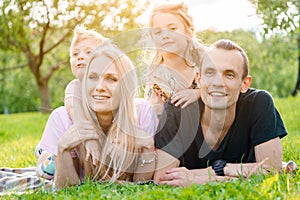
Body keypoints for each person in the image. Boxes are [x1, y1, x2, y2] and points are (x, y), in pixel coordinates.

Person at [153, 39, 288, 187]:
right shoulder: (177, 109)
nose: (218, 82)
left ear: (245, 84)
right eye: (210, 73)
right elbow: (163, 179)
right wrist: (237, 173)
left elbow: (272, 171)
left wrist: (209, 175)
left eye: (229, 75)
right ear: (198, 79)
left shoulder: (259, 103)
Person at [48, 42, 158, 189]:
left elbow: (142, 185)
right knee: (45, 165)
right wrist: (62, 149)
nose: (99, 87)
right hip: (56, 167)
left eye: (111, 79)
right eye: (93, 77)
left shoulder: (142, 112)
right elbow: (66, 191)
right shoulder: (62, 118)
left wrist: (147, 145)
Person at [35, 25, 107, 179]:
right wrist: (89, 138)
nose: (80, 57)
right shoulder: (74, 86)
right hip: (71, 137)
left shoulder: (109, 87)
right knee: (45, 171)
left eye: (88, 52)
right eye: (75, 54)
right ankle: (45, 154)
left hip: (84, 149)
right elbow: (73, 107)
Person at [144, 2, 205, 117]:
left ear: (189, 31)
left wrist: (200, 93)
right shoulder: (154, 80)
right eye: (158, 32)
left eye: (172, 28)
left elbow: (227, 92)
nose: (165, 35)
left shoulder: (206, 67)